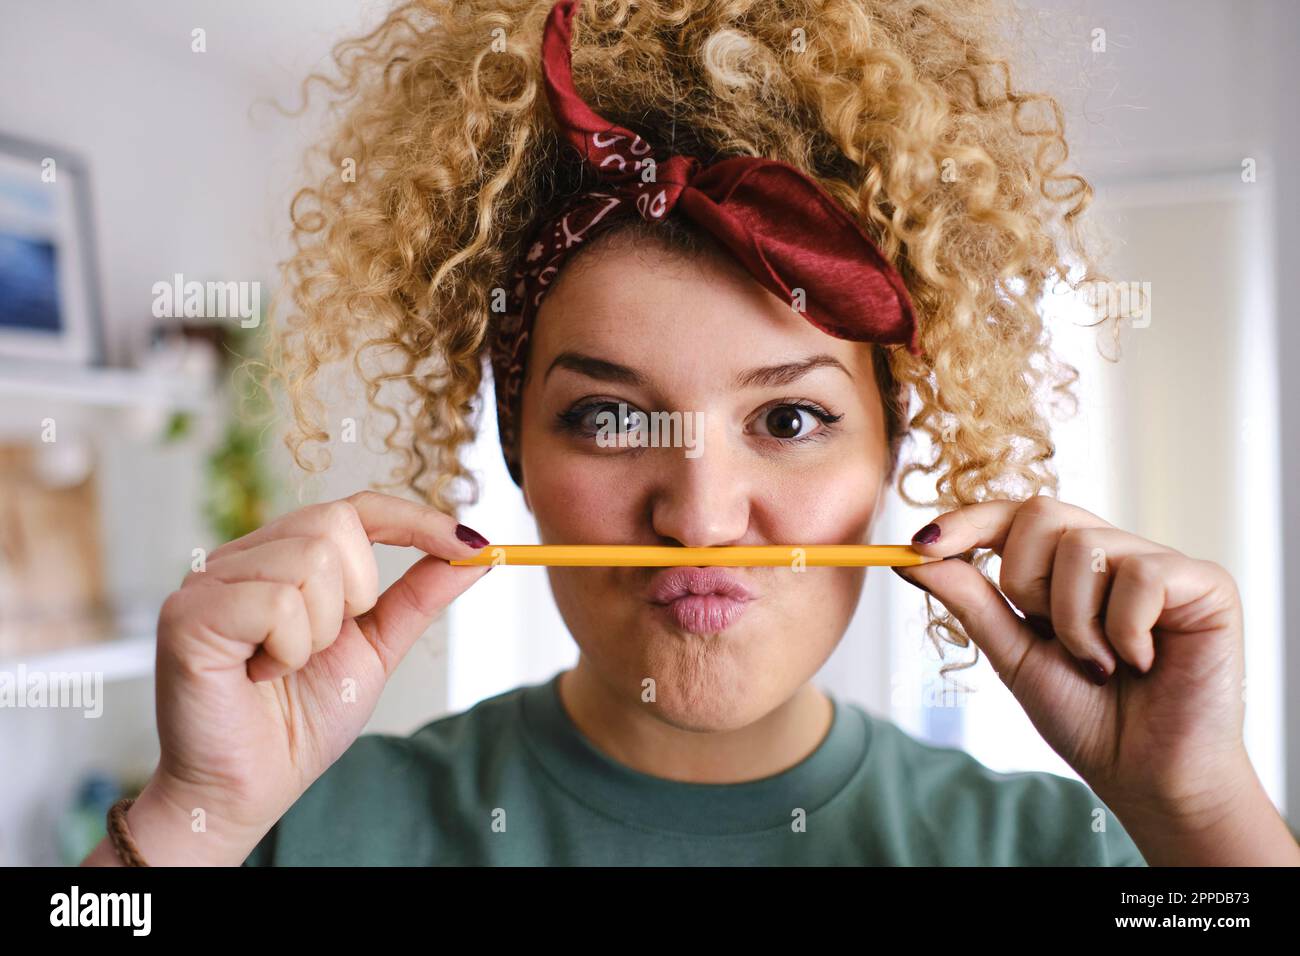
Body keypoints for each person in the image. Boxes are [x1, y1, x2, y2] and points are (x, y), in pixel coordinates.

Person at [82, 0, 1298, 866]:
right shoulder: (303, 830)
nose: (703, 516)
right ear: (520, 457)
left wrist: (1202, 814)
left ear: (891, 451)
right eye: (608, 416)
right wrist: (189, 821)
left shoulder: (1083, 851)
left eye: (789, 416)